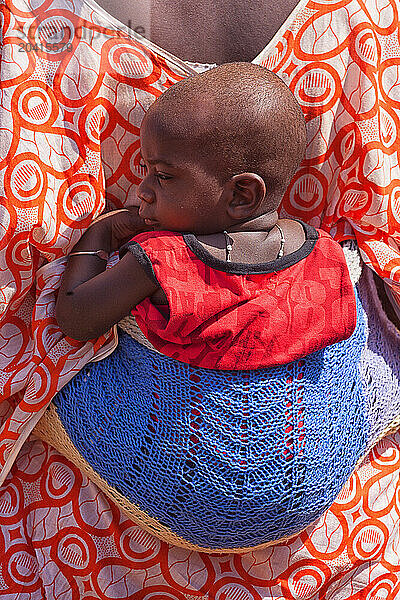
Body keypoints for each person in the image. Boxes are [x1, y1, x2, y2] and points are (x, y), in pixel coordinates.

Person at [52, 63, 364, 552]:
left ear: (242, 193)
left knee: (51, 381)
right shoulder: (325, 252)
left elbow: (71, 318)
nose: (144, 192)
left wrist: (101, 232)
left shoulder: (162, 261)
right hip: (306, 481)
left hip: (175, 477)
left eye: (163, 175)